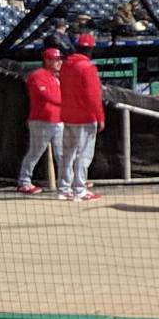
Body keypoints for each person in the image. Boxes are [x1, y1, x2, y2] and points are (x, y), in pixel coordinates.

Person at [56, 33, 105, 203]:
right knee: (84, 155)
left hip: (67, 115)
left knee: (67, 154)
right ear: (90, 49)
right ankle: (80, 190)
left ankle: (64, 189)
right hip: (85, 117)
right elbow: (93, 96)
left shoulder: (65, 65)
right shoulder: (87, 67)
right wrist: (100, 117)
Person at [16, 45, 62, 195]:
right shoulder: (38, 75)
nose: (59, 62)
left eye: (59, 59)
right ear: (47, 60)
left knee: (62, 153)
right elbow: (45, 95)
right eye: (55, 60)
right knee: (35, 152)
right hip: (41, 120)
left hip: (58, 120)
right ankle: (24, 182)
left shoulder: (57, 77)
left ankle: (67, 182)